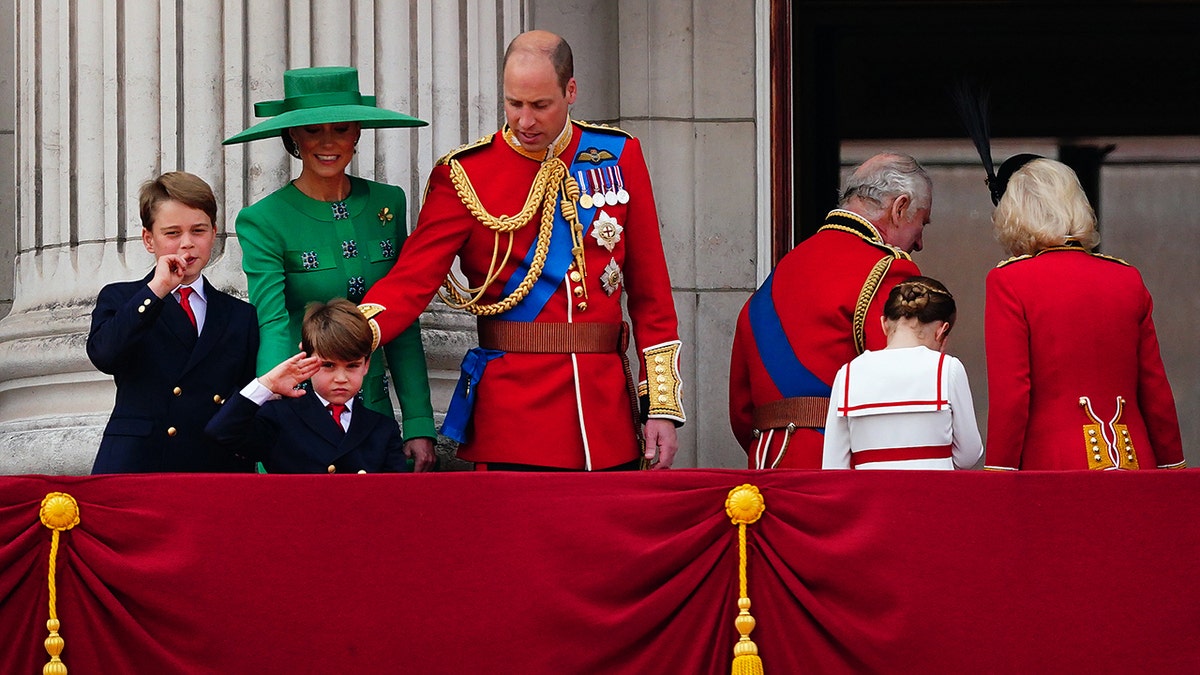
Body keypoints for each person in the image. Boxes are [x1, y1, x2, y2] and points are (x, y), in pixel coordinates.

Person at [360, 30, 684, 471]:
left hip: (603, 417)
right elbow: (412, 281)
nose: (525, 122)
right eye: (514, 104)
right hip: (513, 418)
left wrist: (660, 406)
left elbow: (651, 293)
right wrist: (348, 336)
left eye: (540, 105)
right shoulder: (465, 175)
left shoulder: (618, 155)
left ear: (570, 92)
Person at [221, 66, 435, 470]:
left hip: (371, 411)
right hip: (305, 407)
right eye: (313, 131)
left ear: (357, 134)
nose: (328, 142)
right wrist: (276, 411)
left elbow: (402, 318)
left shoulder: (388, 203)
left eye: (340, 129)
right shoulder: (263, 219)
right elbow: (273, 324)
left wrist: (419, 422)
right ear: (293, 138)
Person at [982, 156, 1186, 470]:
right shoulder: (1126, 277)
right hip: (1135, 464)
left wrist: (1000, 472)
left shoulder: (1009, 281)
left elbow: (1012, 396)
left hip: (1052, 468)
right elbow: (1155, 390)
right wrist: (1173, 467)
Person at [728, 153, 929, 469]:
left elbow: (741, 411)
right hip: (841, 468)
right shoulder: (888, 270)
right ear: (899, 208)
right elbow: (905, 394)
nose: (919, 243)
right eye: (921, 223)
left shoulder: (781, 271)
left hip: (767, 465)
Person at [87, 172, 259, 473]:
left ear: (214, 233)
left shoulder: (239, 315)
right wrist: (157, 290)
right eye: (172, 233)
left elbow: (242, 400)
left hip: (213, 465)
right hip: (139, 462)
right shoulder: (124, 298)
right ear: (148, 239)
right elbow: (105, 354)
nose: (187, 244)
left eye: (198, 231)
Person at [205, 299, 428, 473]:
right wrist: (267, 384)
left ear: (366, 364)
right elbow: (221, 432)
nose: (341, 378)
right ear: (305, 357)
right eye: (328, 365)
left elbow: (395, 495)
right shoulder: (280, 417)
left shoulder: (382, 428)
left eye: (352, 366)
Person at [822, 277, 982, 470]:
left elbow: (833, 466)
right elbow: (969, 454)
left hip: (870, 498)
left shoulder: (848, 375)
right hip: (932, 496)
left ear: (884, 324)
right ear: (942, 331)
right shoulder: (948, 369)